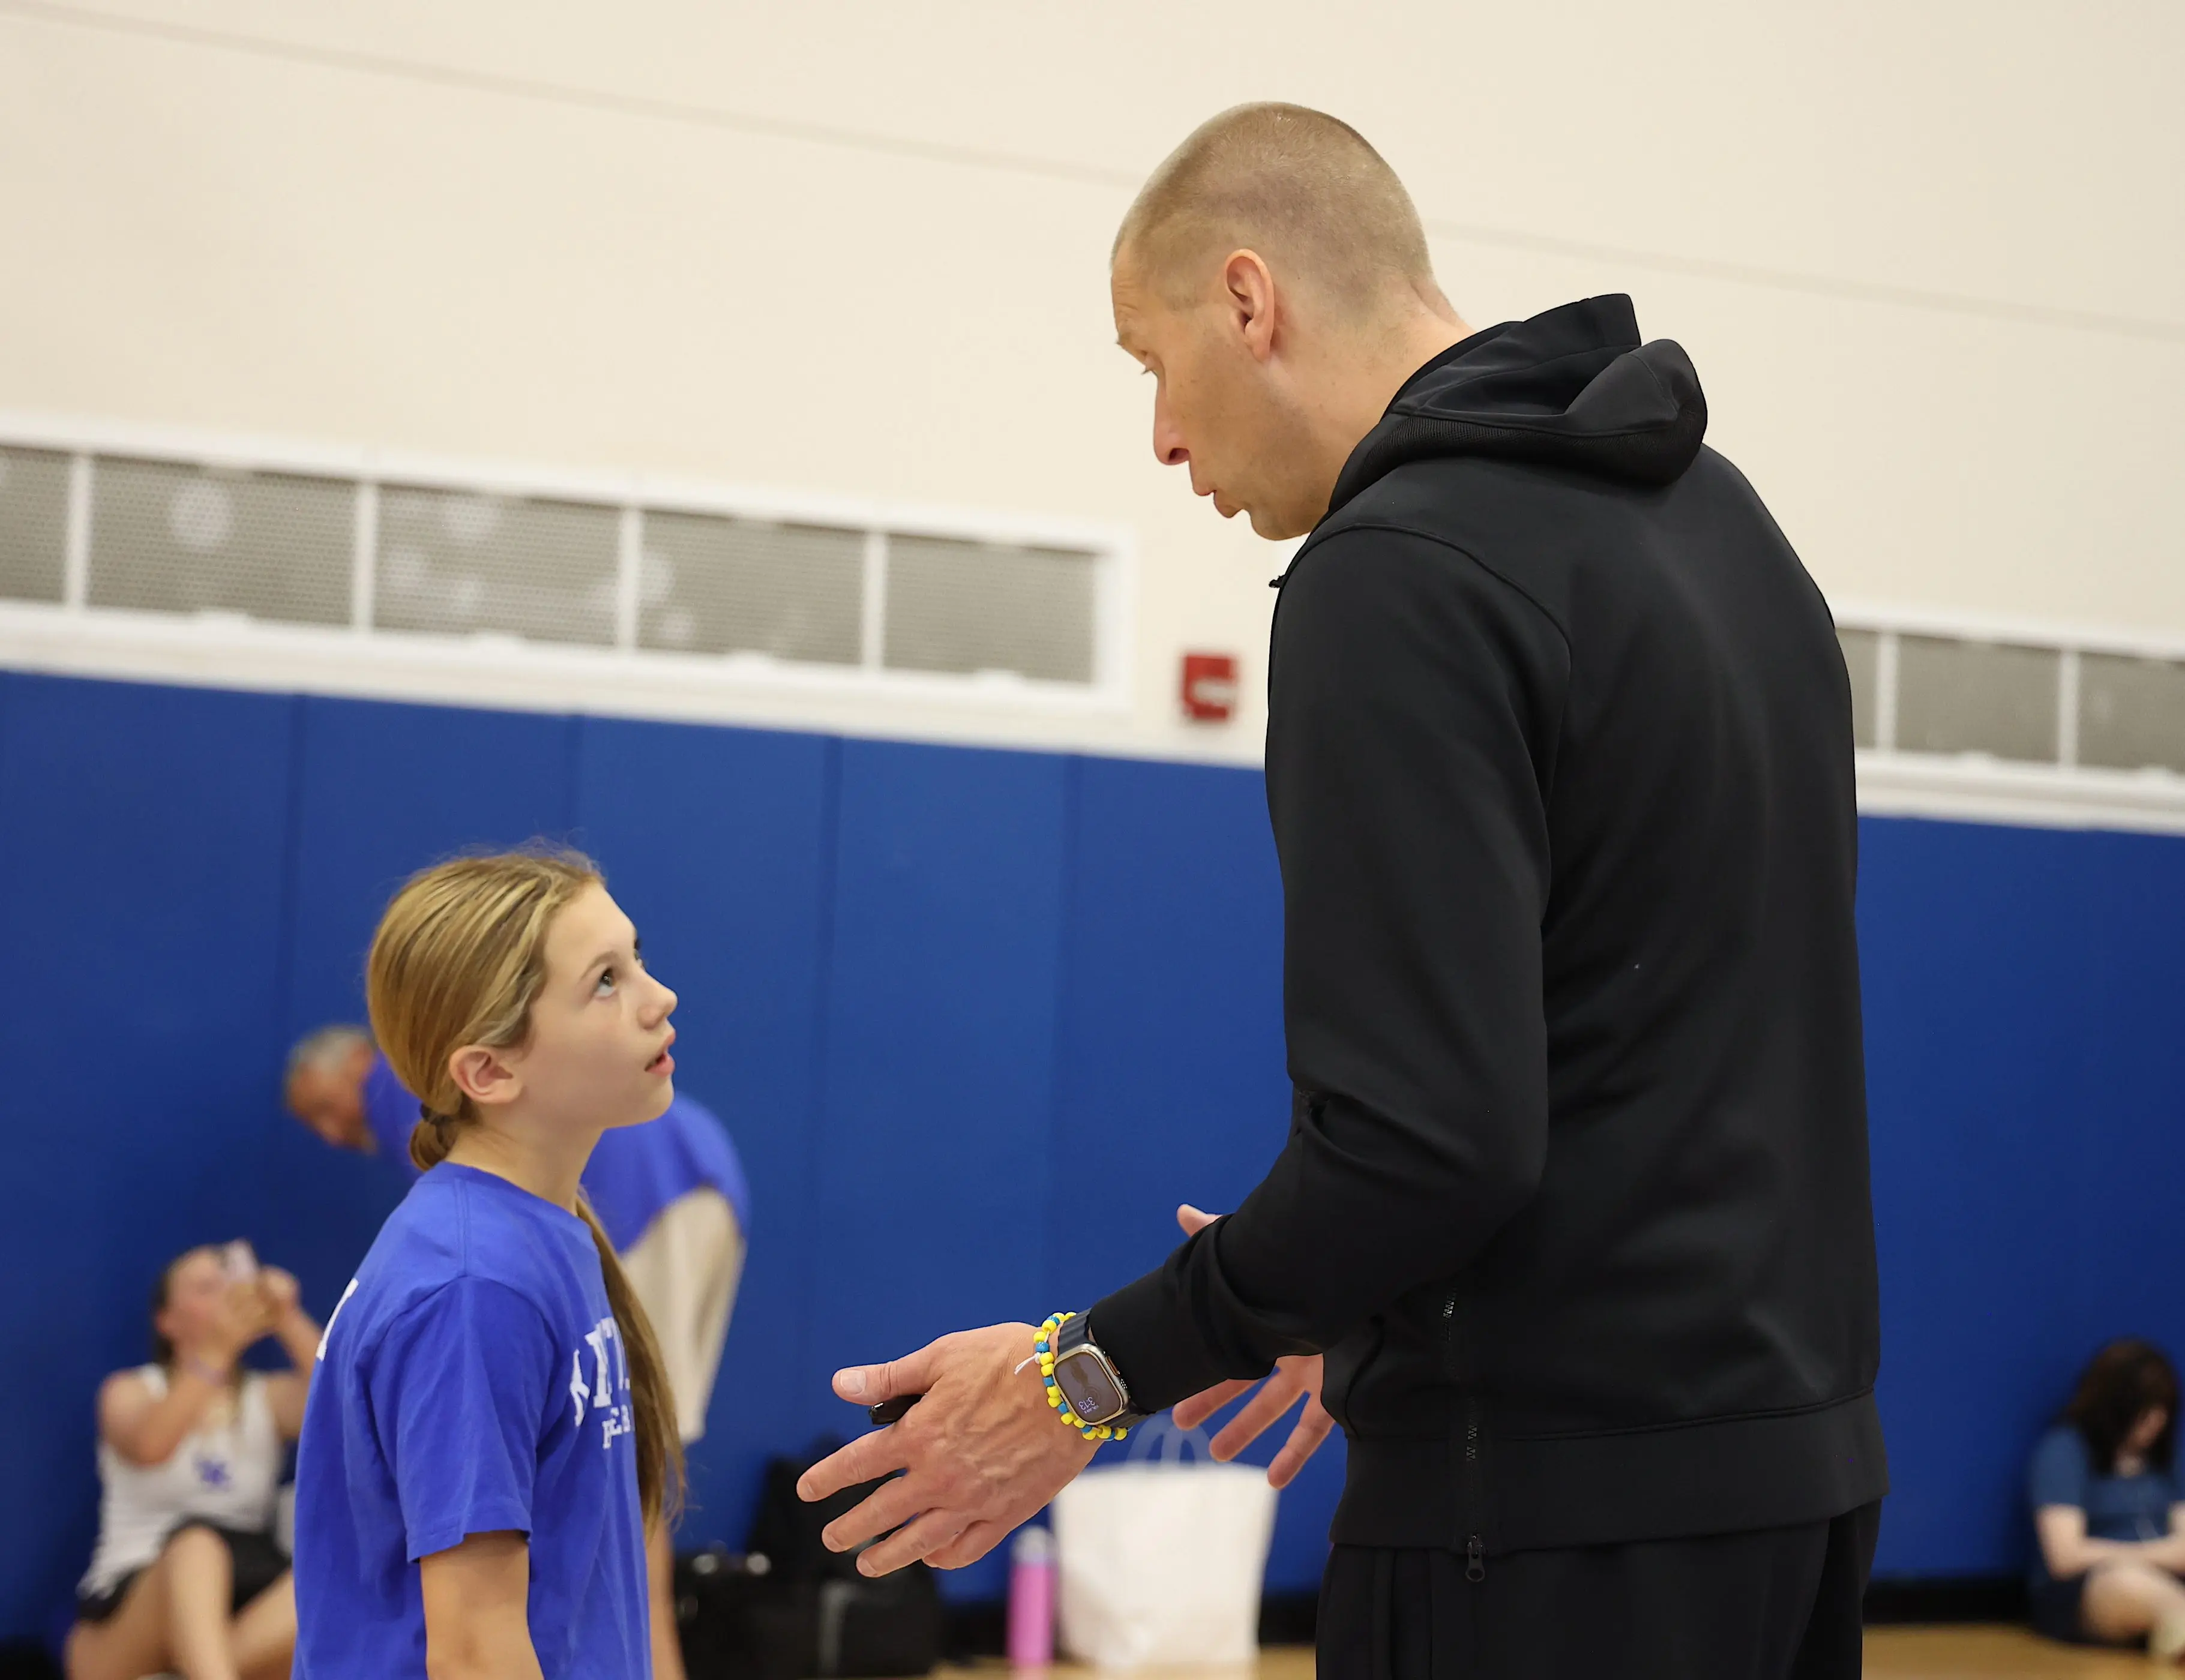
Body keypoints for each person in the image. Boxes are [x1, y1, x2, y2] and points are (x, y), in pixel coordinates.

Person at [796, 101, 1887, 1680]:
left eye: (1149, 363)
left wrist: (1086, 1375)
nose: (1162, 438)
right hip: (1797, 1493)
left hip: (1539, 1533)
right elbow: (1642, 1054)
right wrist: (1386, 1293)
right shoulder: (1729, 531)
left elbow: (1430, 1145)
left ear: (1250, 303)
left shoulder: (1402, 574)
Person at [291, 847, 682, 1680]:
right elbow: (474, 1649)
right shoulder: (474, 1288)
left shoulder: (540, 1231)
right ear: (490, 1070)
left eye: (637, 959)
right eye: (606, 981)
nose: (660, 998)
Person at [288, 1019, 747, 1680]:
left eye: (325, 1108)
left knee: (621, 1461)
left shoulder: (404, 1096)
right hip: (707, 1185)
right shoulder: (468, 1273)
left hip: (661, 1203)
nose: (334, 1131)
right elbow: (473, 1643)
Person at [67, 1246, 322, 1680]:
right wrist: (216, 1353)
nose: (226, 1294)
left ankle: (206, 1669)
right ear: (168, 1321)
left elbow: (343, 1408)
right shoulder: (130, 1391)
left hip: (248, 1591)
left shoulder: (267, 1397)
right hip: (140, 1597)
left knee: (335, 1577)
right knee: (197, 1546)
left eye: (230, 1283)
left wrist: (288, 1318)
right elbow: (152, 1445)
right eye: (206, 1287)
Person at [2029, 1339, 2185, 1658]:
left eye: (2163, 1409)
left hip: (2169, 1579)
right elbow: (2066, 1557)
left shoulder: (2168, 1457)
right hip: (2091, 1590)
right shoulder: (2065, 1450)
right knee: (2127, 1581)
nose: (2156, 1421)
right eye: (2144, 1410)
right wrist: (2148, 1555)